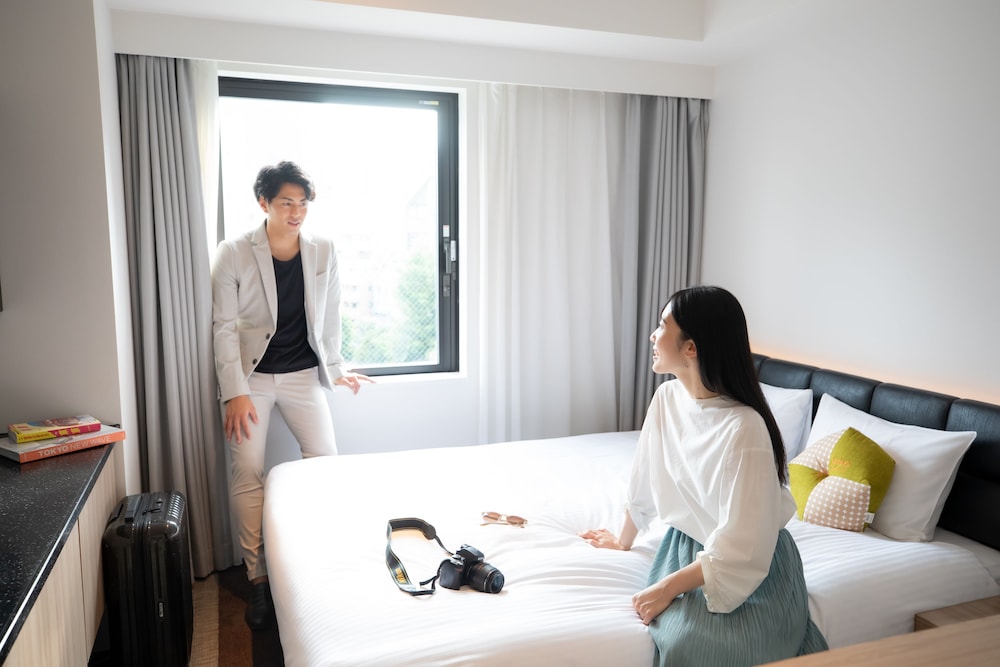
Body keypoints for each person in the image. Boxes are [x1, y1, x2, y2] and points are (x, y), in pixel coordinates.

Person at [579, 286, 827, 666]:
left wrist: (667, 587)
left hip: (752, 562)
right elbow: (644, 476)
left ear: (691, 348)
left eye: (662, 325)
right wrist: (623, 540)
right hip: (687, 548)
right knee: (681, 640)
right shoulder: (666, 398)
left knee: (697, 647)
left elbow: (744, 546)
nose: (653, 336)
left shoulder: (745, 427)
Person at [212, 161, 373, 631]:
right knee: (248, 470)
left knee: (325, 461)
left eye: (303, 203)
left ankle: (315, 560)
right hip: (252, 378)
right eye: (287, 203)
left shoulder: (324, 249)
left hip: (302, 373)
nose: (297, 212)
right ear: (263, 202)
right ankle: (259, 580)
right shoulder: (233, 252)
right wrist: (234, 392)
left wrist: (336, 369)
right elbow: (223, 328)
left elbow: (331, 315)